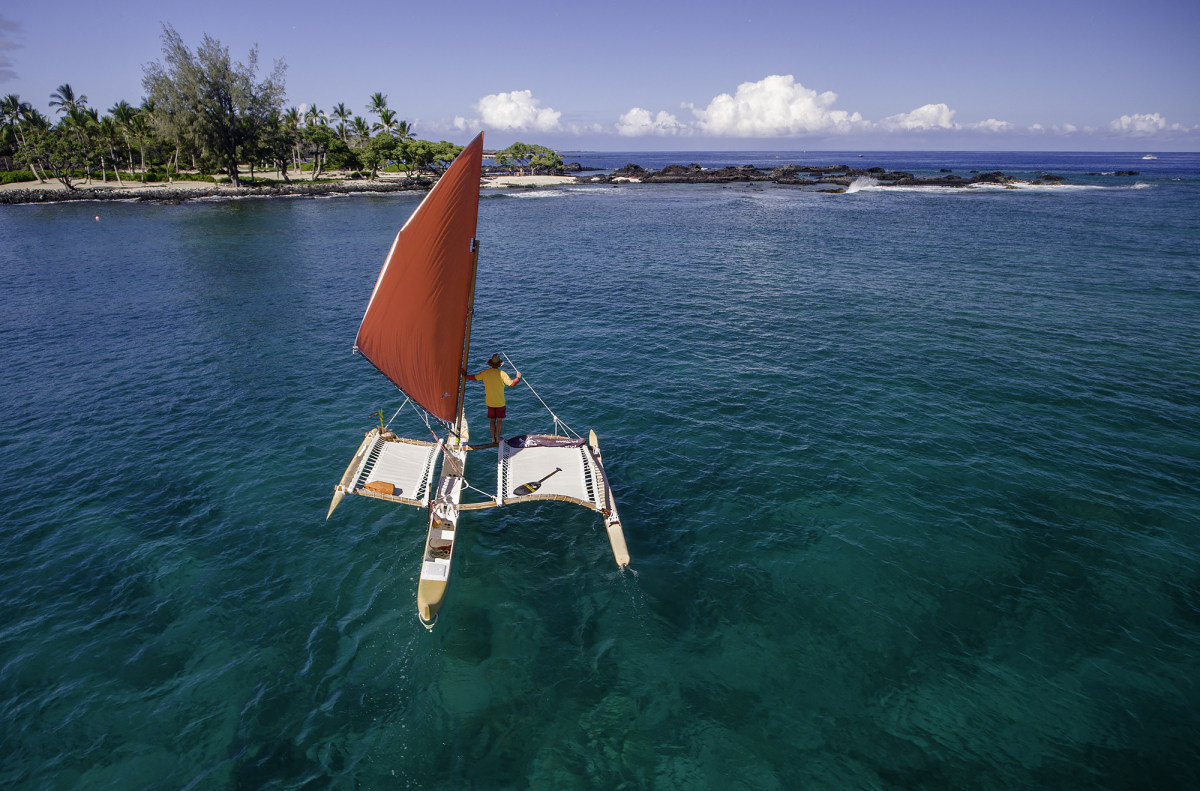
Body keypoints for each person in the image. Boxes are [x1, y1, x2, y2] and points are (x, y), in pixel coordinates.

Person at [464, 353, 521, 443]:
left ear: (491, 364)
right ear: (499, 364)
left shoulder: (485, 373)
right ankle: (498, 438)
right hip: (500, 402)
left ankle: (493, 438)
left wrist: (464, 375)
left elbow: (474, 377)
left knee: (492, 420)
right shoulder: (502, 373)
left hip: (490, 402)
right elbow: (512, 383)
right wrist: (518, 377)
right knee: (499, 420)